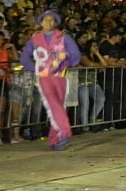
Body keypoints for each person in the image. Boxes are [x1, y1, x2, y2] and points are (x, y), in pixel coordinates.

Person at [19, 10, 81, 151]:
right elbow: (24, 58)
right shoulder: (35, 39)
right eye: (45, 20)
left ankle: (54, 140)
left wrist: (64, 63)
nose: (48, 22)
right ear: (41, 22)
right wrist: (36, 68)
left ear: (56, 23)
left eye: (52, 20)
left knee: (57, 106)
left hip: (60, 77)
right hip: (44, 78)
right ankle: (65, 131)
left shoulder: (64, 38)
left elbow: (75, 55)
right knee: (54, 104)